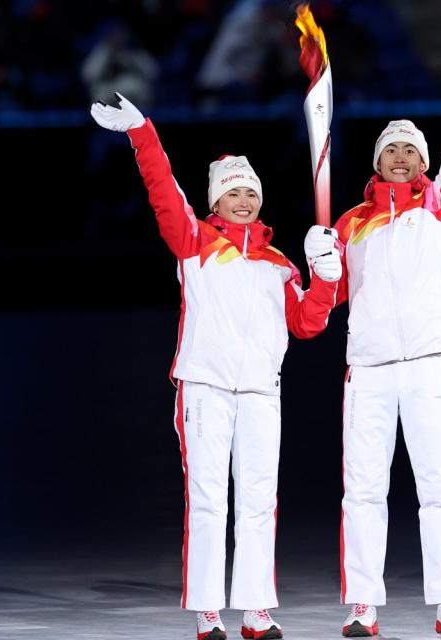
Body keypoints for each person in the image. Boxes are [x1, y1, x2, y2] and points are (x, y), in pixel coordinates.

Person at [90, 93, 342, 640]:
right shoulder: (195, 244)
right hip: (204, 387)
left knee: (258, 501)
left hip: (259, 391)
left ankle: (254, 609)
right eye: (233, 193)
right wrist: (142, 133)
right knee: (207, 500)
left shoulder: (279, 264)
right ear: (216, 201)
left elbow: (307, 324)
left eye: (251, 191)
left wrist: (326, 277)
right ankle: (208, 610)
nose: (245, 200)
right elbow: (164, 192)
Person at [320, 18, 441, 637]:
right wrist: (323, 265)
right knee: (362, 491)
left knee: (440, 488)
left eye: (411, 149)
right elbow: (324, 304)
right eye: (391, 149)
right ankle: (363, 605)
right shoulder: (349, 224)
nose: (401, 156)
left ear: (421, 163)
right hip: (368, 368)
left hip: (428, 364)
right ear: (376, 161)